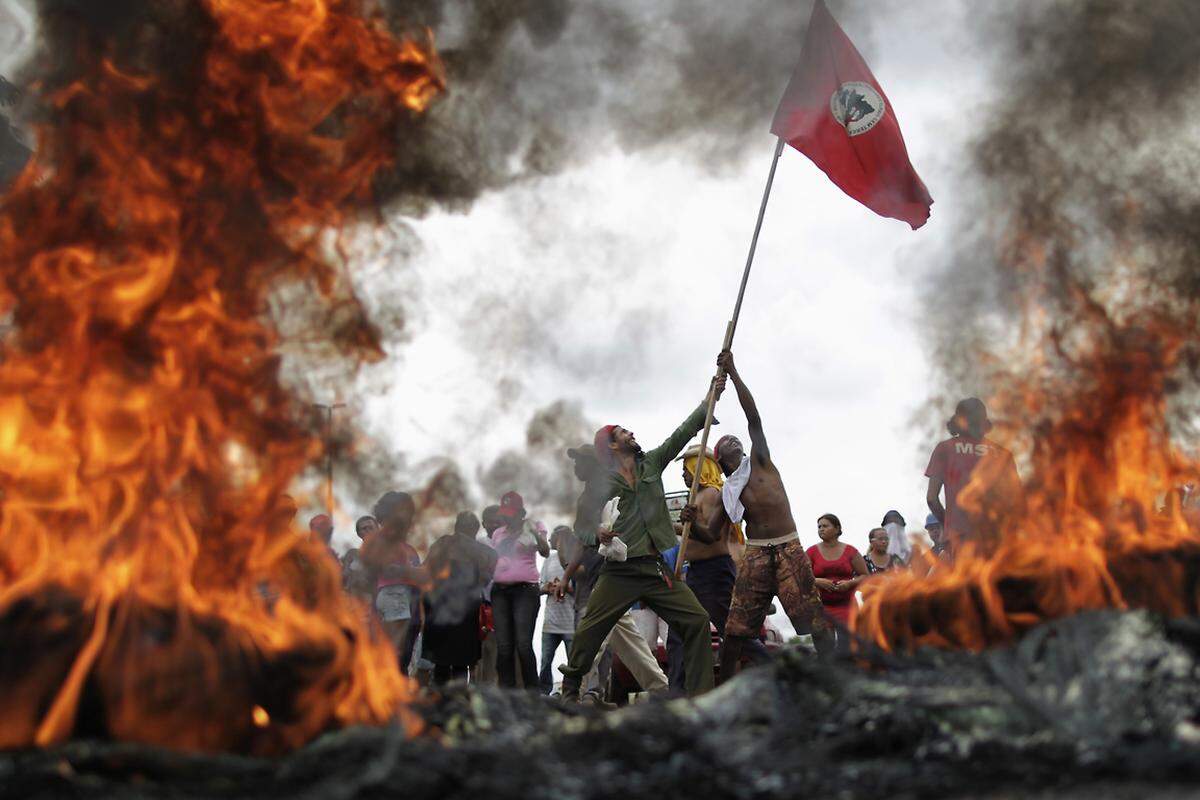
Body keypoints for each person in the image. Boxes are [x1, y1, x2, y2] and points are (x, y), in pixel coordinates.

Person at [560, 378, 727, 701]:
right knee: (590, 631)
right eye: (623, 432)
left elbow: (683, 433)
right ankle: (570, 689)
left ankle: (701, 699)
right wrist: (596, 532)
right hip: (620, 572)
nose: (631, 433)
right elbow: (581, 526)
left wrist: (711, 397)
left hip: (655, 570)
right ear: (611, 445)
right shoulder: (602, 482)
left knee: (696, 621)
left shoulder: (651, 462)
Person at [694, 351, 833, 684]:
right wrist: (688, 521)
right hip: (756, 553)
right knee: (735, 627)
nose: (734, 439)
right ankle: (724, 689)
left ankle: (832, 680)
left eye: (736, 439)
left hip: (788, 547)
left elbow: (752, 416)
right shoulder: (729, 490)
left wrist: (734, 371)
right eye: (727, 441)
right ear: (720, 458)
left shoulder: (761, 460)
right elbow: (711, 533)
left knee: (815, 619)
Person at [926, 397, 1024, 556]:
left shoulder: (945, 449)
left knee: (963, 580)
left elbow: (932, 498)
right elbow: (1018, 502)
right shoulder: (1003, 454)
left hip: (961, 538)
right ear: (984, 423)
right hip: (999, 538)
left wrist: (949, 524)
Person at [423, 511, 498, 685]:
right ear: (475, 529)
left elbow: (425, 570)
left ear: (457, 527)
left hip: (440, 607)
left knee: (441, 661)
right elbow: (487, 576)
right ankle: (457, 698)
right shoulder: (484, 552)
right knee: (461, 662)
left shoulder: (442, 544)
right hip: (466, 609)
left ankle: (440, 698)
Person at [488, 491, 549, 690]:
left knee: (523, 644)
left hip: (525, 591)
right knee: (504, 646)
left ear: (520, 512)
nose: (506, 517)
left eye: (510, 513)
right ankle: (507, 693)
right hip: (500, 591)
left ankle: (533, 693)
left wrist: (534, 534)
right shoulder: (498, 533)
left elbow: (545, 551)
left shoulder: (533, 527)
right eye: (504, 513)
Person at [362, 491, 425, 672]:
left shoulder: (406, 546)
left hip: (409, 602)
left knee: (402, 656)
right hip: (393, 597)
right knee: (395, 655)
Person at [806, 513, 869, 642]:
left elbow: (865, 576)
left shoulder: (850, 551)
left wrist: (849, 583)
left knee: (846, 648)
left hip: (846, 606)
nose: (821, 529)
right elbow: (801, 577)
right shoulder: (811, 552)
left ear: (837, 529)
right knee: (824, 649)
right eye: (819, 527)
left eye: (825, 526)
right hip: (820, 607)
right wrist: (818, 581)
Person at [538, 526, 576, 693]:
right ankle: (544, 693)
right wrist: (547, 588)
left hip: (571, 623)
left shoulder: (576, 560)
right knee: (546, 661)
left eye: (553, 538)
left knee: (573, 663)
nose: (549, 541)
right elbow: (539, 587)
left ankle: (571, 692)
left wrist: (565, 587)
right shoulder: (549, 560)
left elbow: (583, 591)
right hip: (550, 622)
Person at [473, 504, 503, 686]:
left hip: (506, 602)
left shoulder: (508, 541)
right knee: (483, 653)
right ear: (483, 524)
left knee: (504, 651)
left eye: (497, 522)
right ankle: (482, 689)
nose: (493, 526)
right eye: (490, 522)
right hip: (484, 605)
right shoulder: (479, 544)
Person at [341, 515, 378, 607]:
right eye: (364, 528)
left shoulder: (386, 553)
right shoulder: (352, 554)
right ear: (359, 533)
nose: (368, 531)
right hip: (353, 604)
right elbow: (343, 577)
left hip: (376, 602)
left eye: (371, 527)